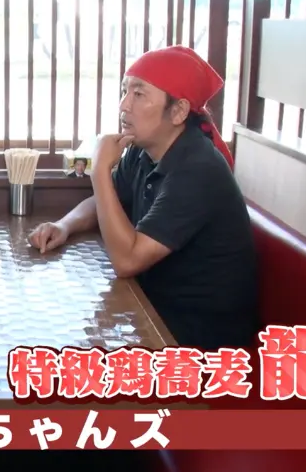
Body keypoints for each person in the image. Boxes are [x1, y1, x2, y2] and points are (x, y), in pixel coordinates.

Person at [29, 46, 259, 350]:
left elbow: (127, 261)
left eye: (139, 94)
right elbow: (107, 201)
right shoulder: (142, 150)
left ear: (178, 111)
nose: (124, 105)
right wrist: (64, 225)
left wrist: (99, 170)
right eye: (124, 91)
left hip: (197, 342)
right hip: (153, 314)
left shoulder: (198, 169)